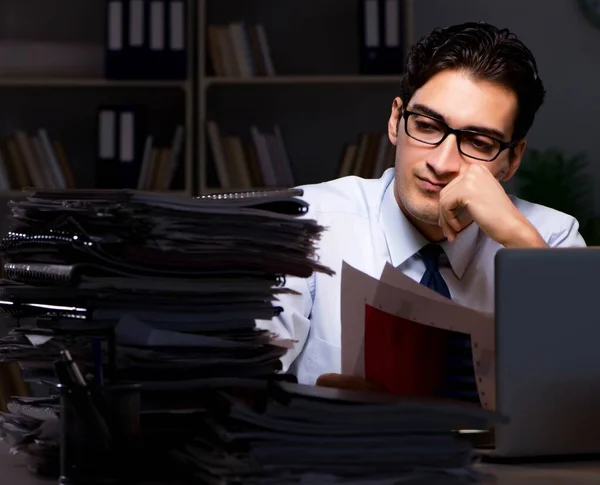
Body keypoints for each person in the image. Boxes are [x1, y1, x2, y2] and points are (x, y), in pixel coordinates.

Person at [256, 21, 586, 390]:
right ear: (396, 121)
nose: (443, 164)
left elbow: (585, 391)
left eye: (479, 142)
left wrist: (521, 243)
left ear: (512, 159)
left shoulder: (550, 238)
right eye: (427, 126)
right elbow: (242, 379)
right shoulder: (306, 222)